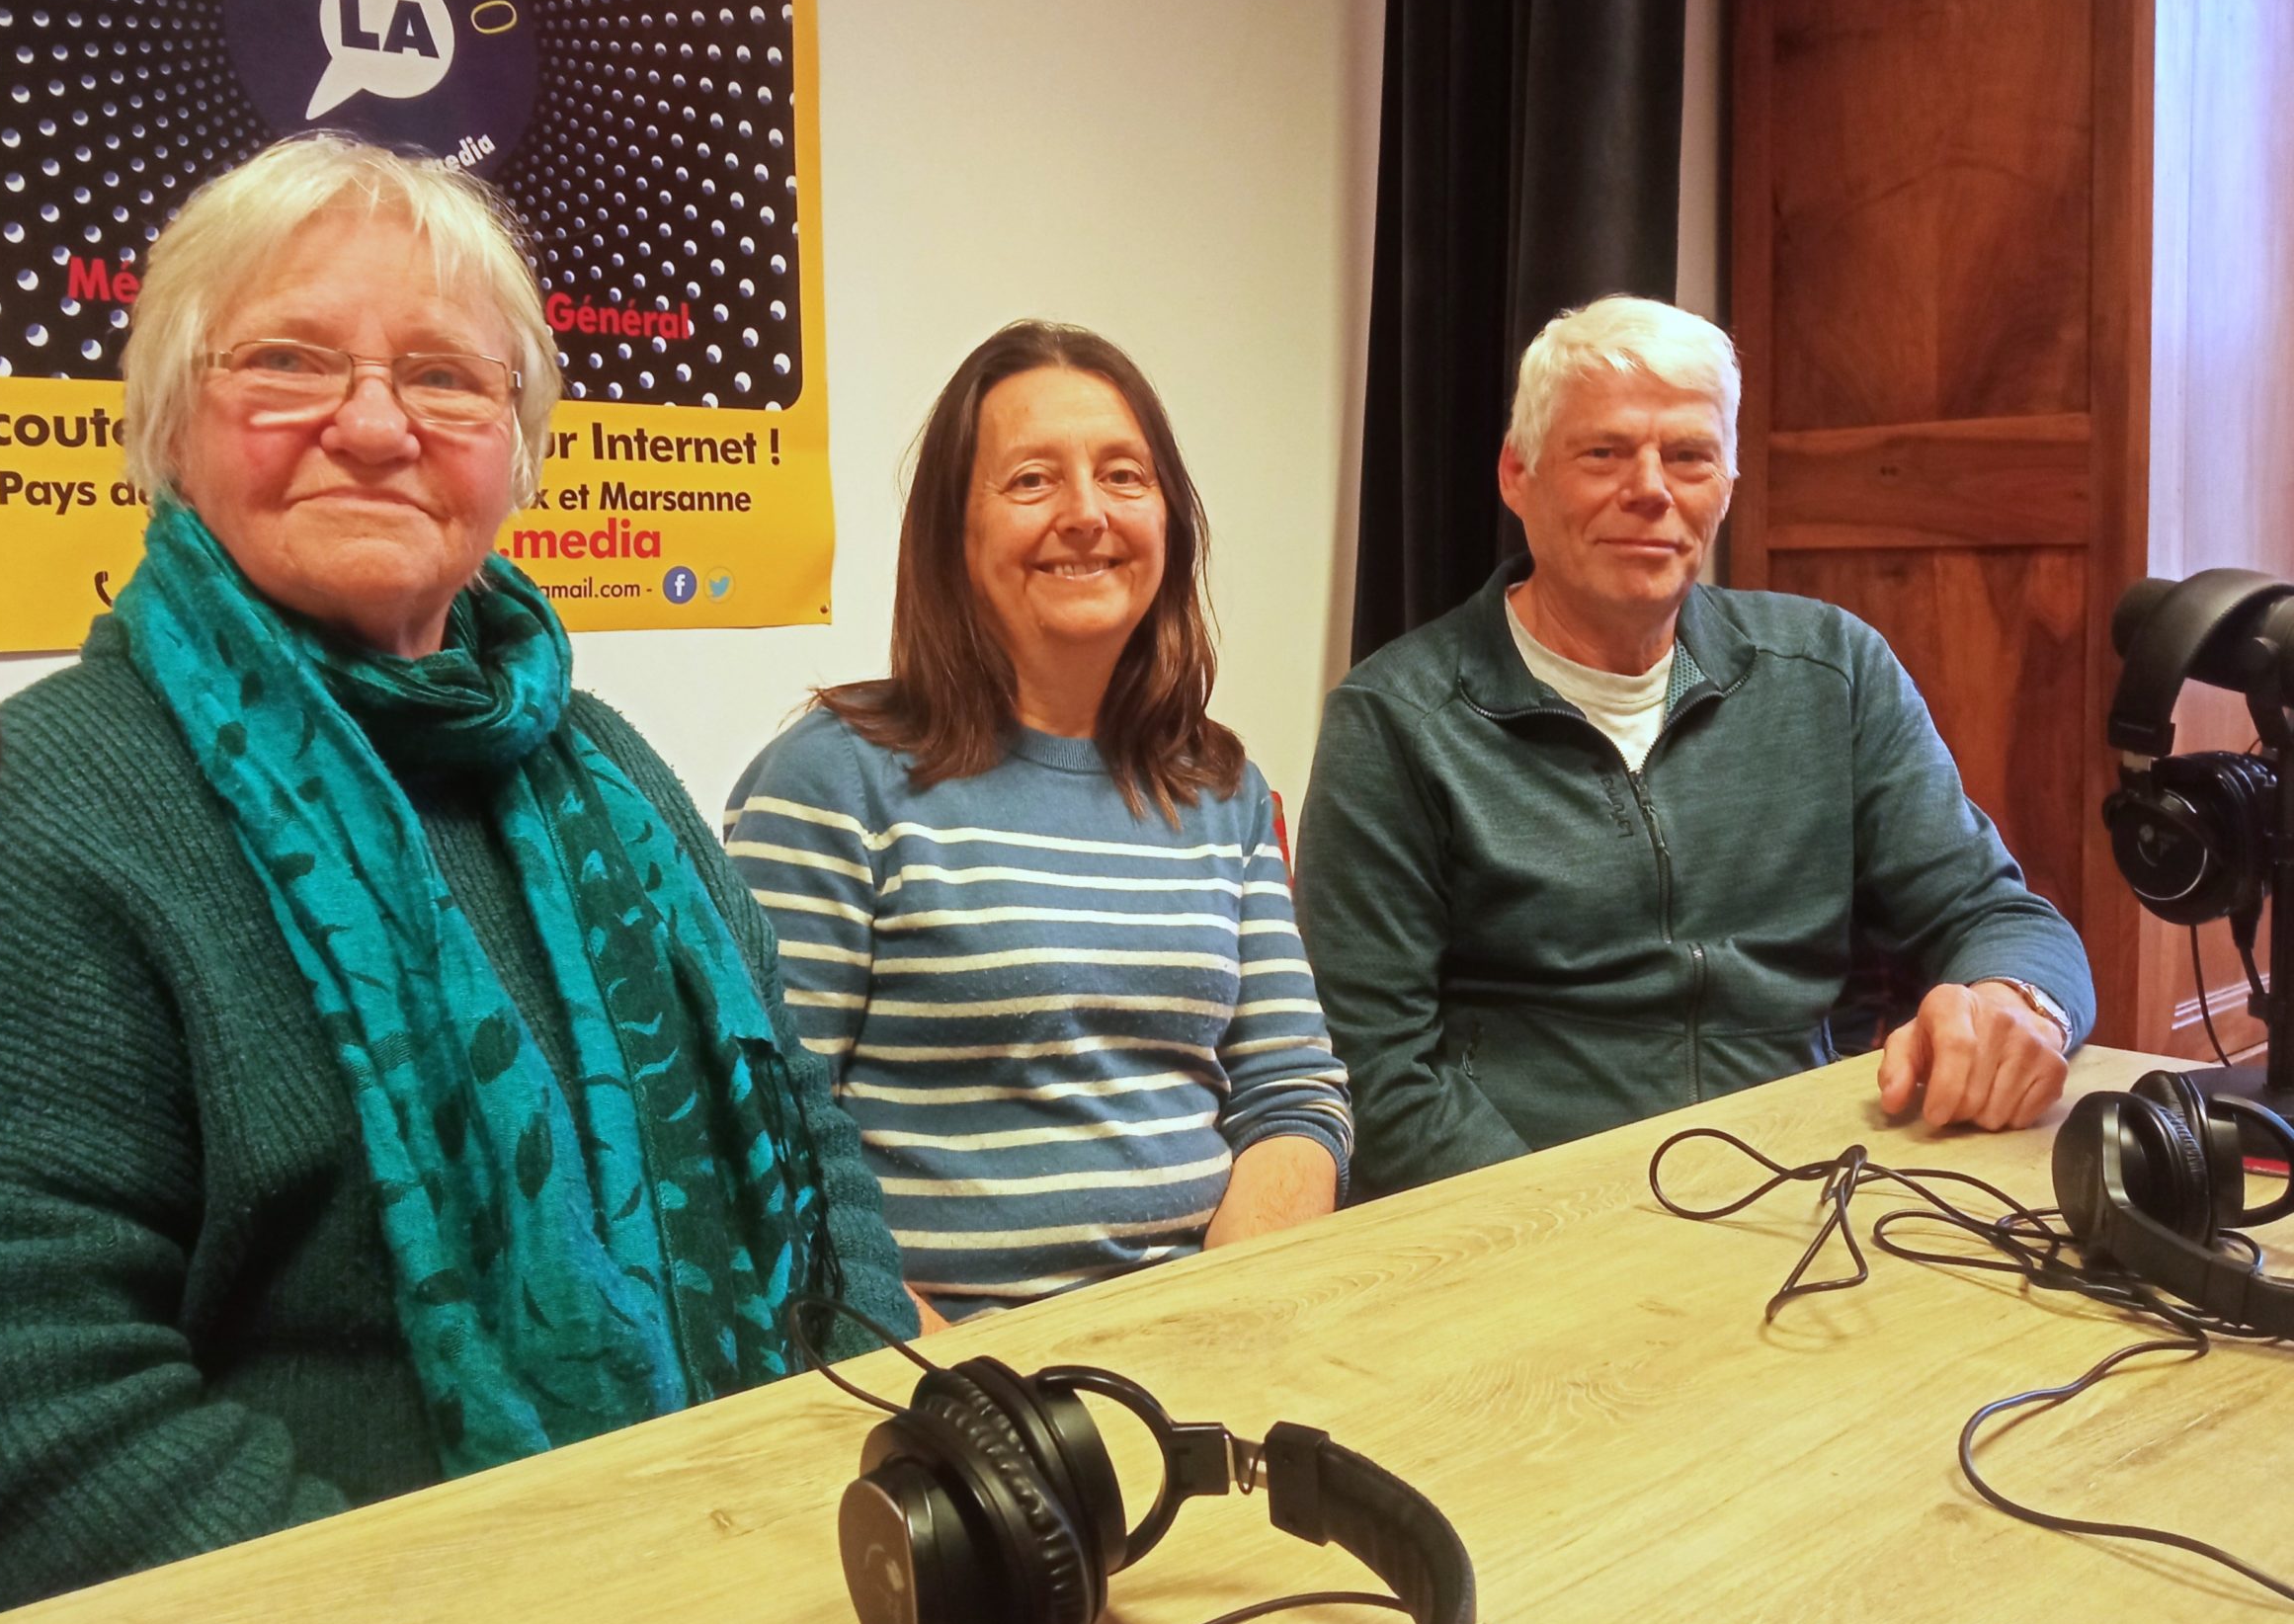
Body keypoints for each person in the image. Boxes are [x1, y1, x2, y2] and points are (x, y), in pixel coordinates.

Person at [0, 134, 913, 1624]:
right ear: (172, 427)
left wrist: (845, 1495)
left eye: (449, 377)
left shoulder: (613, 778)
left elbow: (807, 1150)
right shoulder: (45, 820)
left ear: (515, 452)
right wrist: (505, 1623)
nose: (375, 424)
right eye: (288, 360)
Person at [1295, 295, 2094, 1196]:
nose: (1652, 488)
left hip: (1816, 1188)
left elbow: (2002, 918)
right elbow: (1377, 1069)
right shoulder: (1397, 721)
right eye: (1603, 452)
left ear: (1727, 483)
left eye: (1689, 456)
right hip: (1531, 1221)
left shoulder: (1832, 670)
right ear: (1516, 476)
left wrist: (2016, 1003)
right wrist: (1580, 1231)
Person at [723, 321, 1352, 1326]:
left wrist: (1228, 1319)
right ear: (953, 537)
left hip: (1210, 1340)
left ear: (1170, 523)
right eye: (1029, 482)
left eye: (1124, 476)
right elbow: (764, 1140)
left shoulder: (1218, 784)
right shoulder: (830, 778)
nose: (1086, 514)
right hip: (953, 1382)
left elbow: (1291, 1093)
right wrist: (969, 1392)